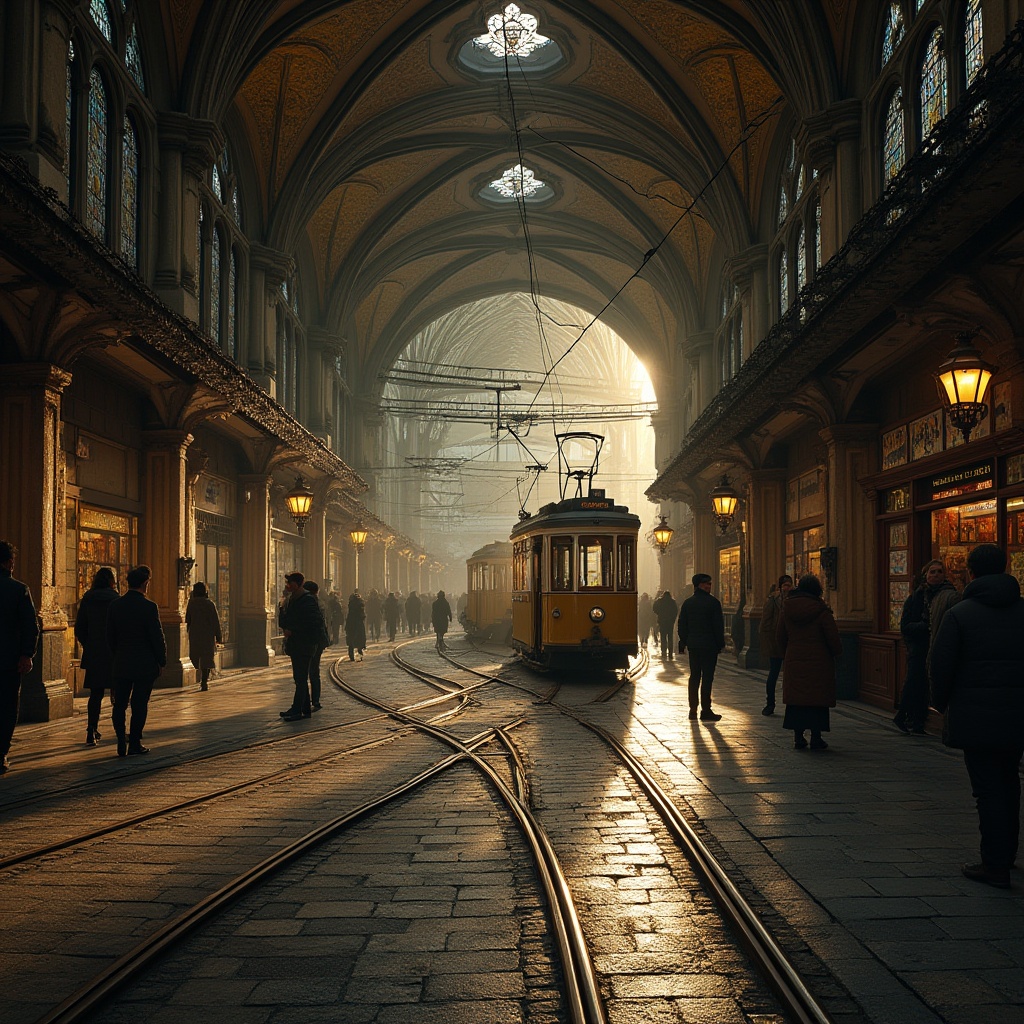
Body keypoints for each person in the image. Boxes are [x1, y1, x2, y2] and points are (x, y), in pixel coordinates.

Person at [930, 544, 1024, 889]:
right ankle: (1006, 853)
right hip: (1016, 716)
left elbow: (941, 666)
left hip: (976, 717)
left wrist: (940, 704)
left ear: (970, 572)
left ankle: (994, 864)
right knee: (1010, 782)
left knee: (987, 790)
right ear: (1007, 568)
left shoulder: (961, 614)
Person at [107, 565, 167, 757]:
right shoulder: (149, 607)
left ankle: (119, 739)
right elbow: (156, 636)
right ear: (145, 583)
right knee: (140, 704)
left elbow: (110, 636)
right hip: (144, 664)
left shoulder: (115, 605)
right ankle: (134, 742)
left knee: (120, 704)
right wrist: (161, 660)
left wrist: (116, 656)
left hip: (122, 662)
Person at [777, 574, 841, 750]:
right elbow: (833, 637)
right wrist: (836, 653)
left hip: (794, 659)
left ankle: (798, 737)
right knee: (816, 700)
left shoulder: (787, 608)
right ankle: (816, 737)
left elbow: (780, 636)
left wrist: (788, 654)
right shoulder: (821, 610)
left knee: (797, 700)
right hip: (819, 662)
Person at [896, 559, 958, 734]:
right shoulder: (917, 597)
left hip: (938, 645)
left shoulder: (948, 594)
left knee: (927, 685)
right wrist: (925, 626)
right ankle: (905, 716)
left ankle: (917, 721)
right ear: (925, 576)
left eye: (940, 571)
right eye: (933, 572)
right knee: (915, 682)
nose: (936, 575)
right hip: (919, 647)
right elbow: (906, 626)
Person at [0, 540, 40, 774]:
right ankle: (1, 753)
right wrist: (27, 654)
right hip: (9, 661)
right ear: (9, 562)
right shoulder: (18, 589)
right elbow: (30, 625)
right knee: (6, 707)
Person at [74, 566, 119, 745]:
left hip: (94, 653)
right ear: (111, 581)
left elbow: (79, 628)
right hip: (114, 653)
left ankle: (91, 729)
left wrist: (89, 645)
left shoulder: (87, 599)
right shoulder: (116, 600)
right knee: (117, 693)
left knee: (95, 694)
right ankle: (120, 731)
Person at [278, 571, 328, 721]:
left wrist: (293, 630)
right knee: (299, 678)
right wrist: (282, 607)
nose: (287, 586)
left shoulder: (307, 600)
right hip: (296, 644)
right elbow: (284, 622)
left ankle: (297, 710)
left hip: (305, 644)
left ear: (298, 584)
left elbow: (314, 622)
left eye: (290, 583)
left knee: (300, 678)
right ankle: (304, 710)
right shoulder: (291, 599)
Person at [677, 574, 726, 720]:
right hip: (709, 646)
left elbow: (682, 625)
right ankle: (705, 710)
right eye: (706, 584)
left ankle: (693, 709)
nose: (709, 586)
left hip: (694, 646)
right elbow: (718, 626)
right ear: (698, 585)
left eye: (710, 584)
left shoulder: (688, 603)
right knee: (707, 677)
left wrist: (685, 641)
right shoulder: (713, 603)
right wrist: (720, 644)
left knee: (695, 676)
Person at [758, 574, 793, 716]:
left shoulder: (795, 599)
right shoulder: (773, 600)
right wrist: (767, 643)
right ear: (780, 587)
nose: (787, 588)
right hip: (775, 642)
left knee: (791, 676)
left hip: (791, 642)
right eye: (785, 585)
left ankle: (791, 706)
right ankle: (770, 703)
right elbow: (765, 622)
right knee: (773, 674)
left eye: (789, 585)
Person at [185, 580, 222, 691]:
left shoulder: (191, 604)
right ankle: (204, 681)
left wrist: (188, 632)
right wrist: (218, 635)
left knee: (196, 655)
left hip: (195, 634)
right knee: (206, 658)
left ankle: (199, 676)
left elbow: (188, 619)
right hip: (207, 635)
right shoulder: (209, 604)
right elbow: (215, 621)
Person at [302, 581, 330, 708]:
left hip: (310, 641)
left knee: (305, 672)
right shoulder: (320, 603)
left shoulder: (308, 603)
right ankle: (315, 700)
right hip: (318, 641)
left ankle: (306, 702)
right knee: (314, 671)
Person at [652, 590, 678, 659]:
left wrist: (659, 613)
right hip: (670, 622)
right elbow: (676, 611)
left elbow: (654, 608)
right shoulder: (672, 601)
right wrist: (673, 619)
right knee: (670, 637)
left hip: (662, 621)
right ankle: (670, 653)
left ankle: (663, 651)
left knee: (663, 637)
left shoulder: (660, 601)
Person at [345, 590, 367, 662]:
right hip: (359, 623)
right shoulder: (361, 603)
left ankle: (351, 656)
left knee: (351, 639)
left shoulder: (351, 604)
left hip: (351, 623)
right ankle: (360, 654)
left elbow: (349, 614)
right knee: (360, 639)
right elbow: (363, 615)